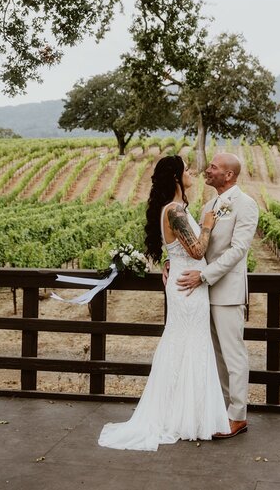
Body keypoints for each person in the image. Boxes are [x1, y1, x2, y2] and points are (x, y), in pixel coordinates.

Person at [98, 155, 230, 451]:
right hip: (188, 286)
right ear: (175, 177)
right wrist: (207, 225)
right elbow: (196, 251)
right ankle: (183, 416)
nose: (192, 173)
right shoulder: (175, 210)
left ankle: (187, 414)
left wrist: (170, 259)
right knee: (186, 342)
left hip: (184, 281)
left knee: (186, 343)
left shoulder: (173, 209)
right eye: (186, 170)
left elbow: (178, 249)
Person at [175, 153, 259, 439]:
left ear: (229, 176)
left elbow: (238, 251)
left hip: (226, 291)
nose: (207, 170)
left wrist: (205, 275)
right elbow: (198, 245)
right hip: (202, 292)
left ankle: (238, 416)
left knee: (233, 355)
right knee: (215, 355)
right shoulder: (208, 205)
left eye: (213, 167)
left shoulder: (246, 205)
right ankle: (221, 410)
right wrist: (172, 263)